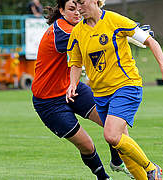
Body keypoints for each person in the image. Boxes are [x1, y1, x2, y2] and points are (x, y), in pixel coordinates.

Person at [66, 0, 163, 179]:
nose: (78, 8)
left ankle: (151, 168)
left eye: (81, 3)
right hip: (100, 94)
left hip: (126, 86)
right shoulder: (77, 32)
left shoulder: (115, 20)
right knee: (122, 148)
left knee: (112, 136)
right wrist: (73, 84)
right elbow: (75, 63)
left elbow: (151, 41)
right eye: (75, 4)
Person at [31, 0, 134, 179]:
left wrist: (134, 31)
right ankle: (103, 177)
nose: (77, 12)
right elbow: (97, 36)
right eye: (71, 9)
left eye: (79, 7)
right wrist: (133, 34)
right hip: (49, 102)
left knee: (115, 124)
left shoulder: (81, 27)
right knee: (87, 145)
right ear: (61, 11)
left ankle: (118, 162)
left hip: (73, 89)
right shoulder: (62, 32)